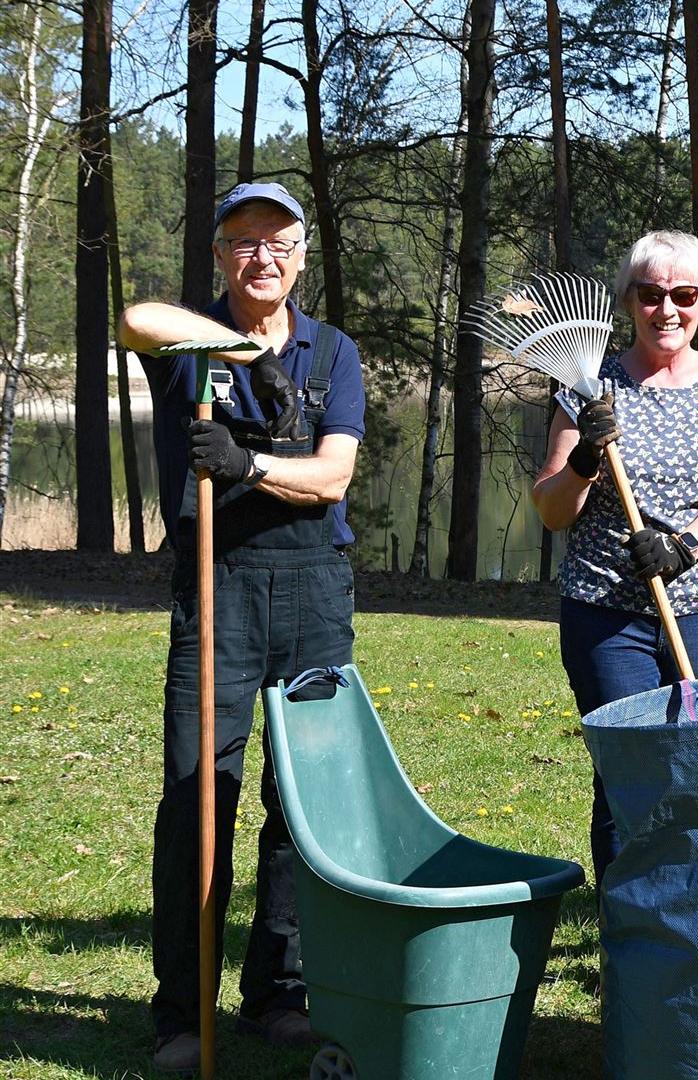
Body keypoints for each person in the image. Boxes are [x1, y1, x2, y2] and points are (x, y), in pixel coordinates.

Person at [118, 182, 367, 1072]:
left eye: (278, 242)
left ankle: (279, 993)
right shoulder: (188, 348)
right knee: (198, 798)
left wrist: (250, 462)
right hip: (218, 587)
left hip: (313, 592)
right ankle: (183, 1013)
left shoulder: (333, 352)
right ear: (221, 255)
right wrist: (233, 348)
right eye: (242, 241)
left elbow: (334, 475)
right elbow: (135, 317)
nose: (262, 256)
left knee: (301, 806)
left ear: (302, 254)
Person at [531, 229, 698, 889]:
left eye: (684, 295)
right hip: (606, 611)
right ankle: (629, 923)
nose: (667, 309)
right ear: (629, 301)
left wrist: (682, 547)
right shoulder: (589, 386)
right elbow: (551, 510)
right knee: (628, 769)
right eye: (651, 293)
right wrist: (581, 463)